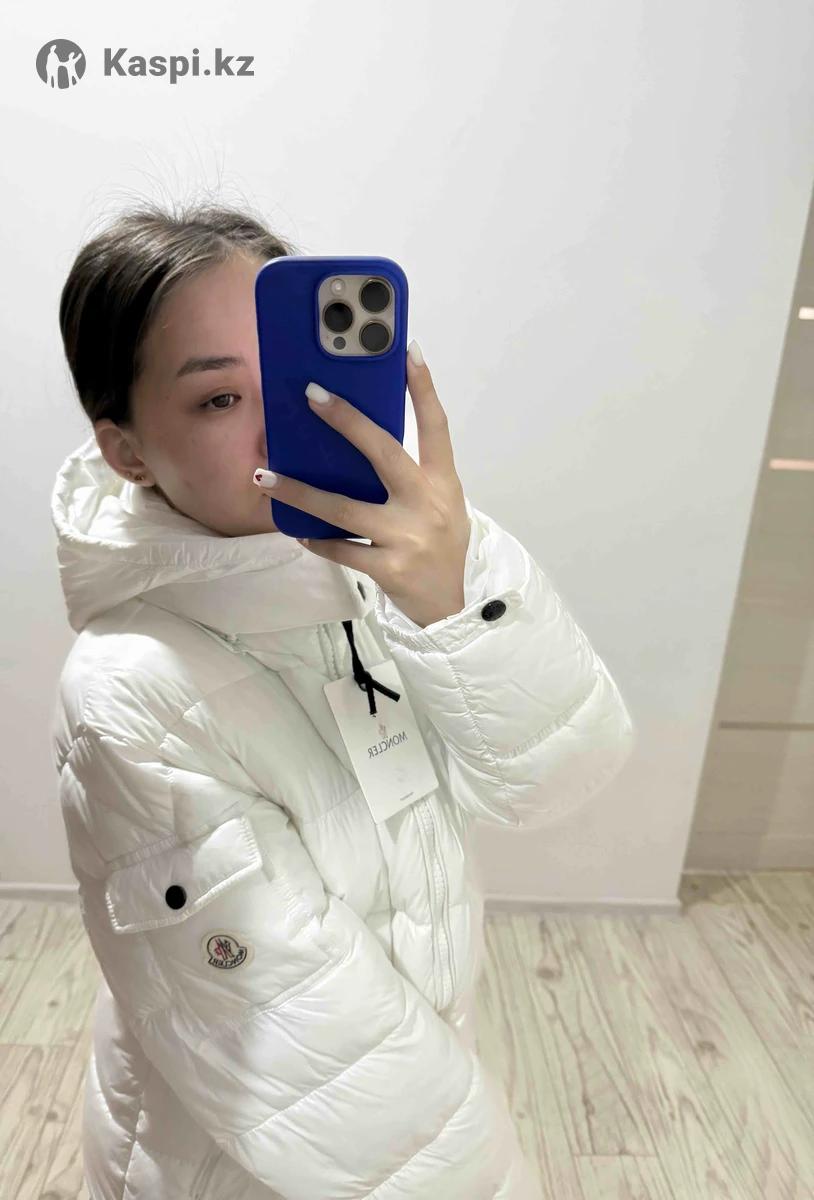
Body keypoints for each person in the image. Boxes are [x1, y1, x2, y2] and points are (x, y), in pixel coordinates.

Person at [49, 199, 636, 1200]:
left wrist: (456, 604)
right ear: (128, 451)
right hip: (241, 1164)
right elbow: (302, 1048)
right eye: (217, 399)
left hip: (409, 1098)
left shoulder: (403, 565)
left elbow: (560, 782)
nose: (283, 421)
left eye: (288, 375)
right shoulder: (131, 692)